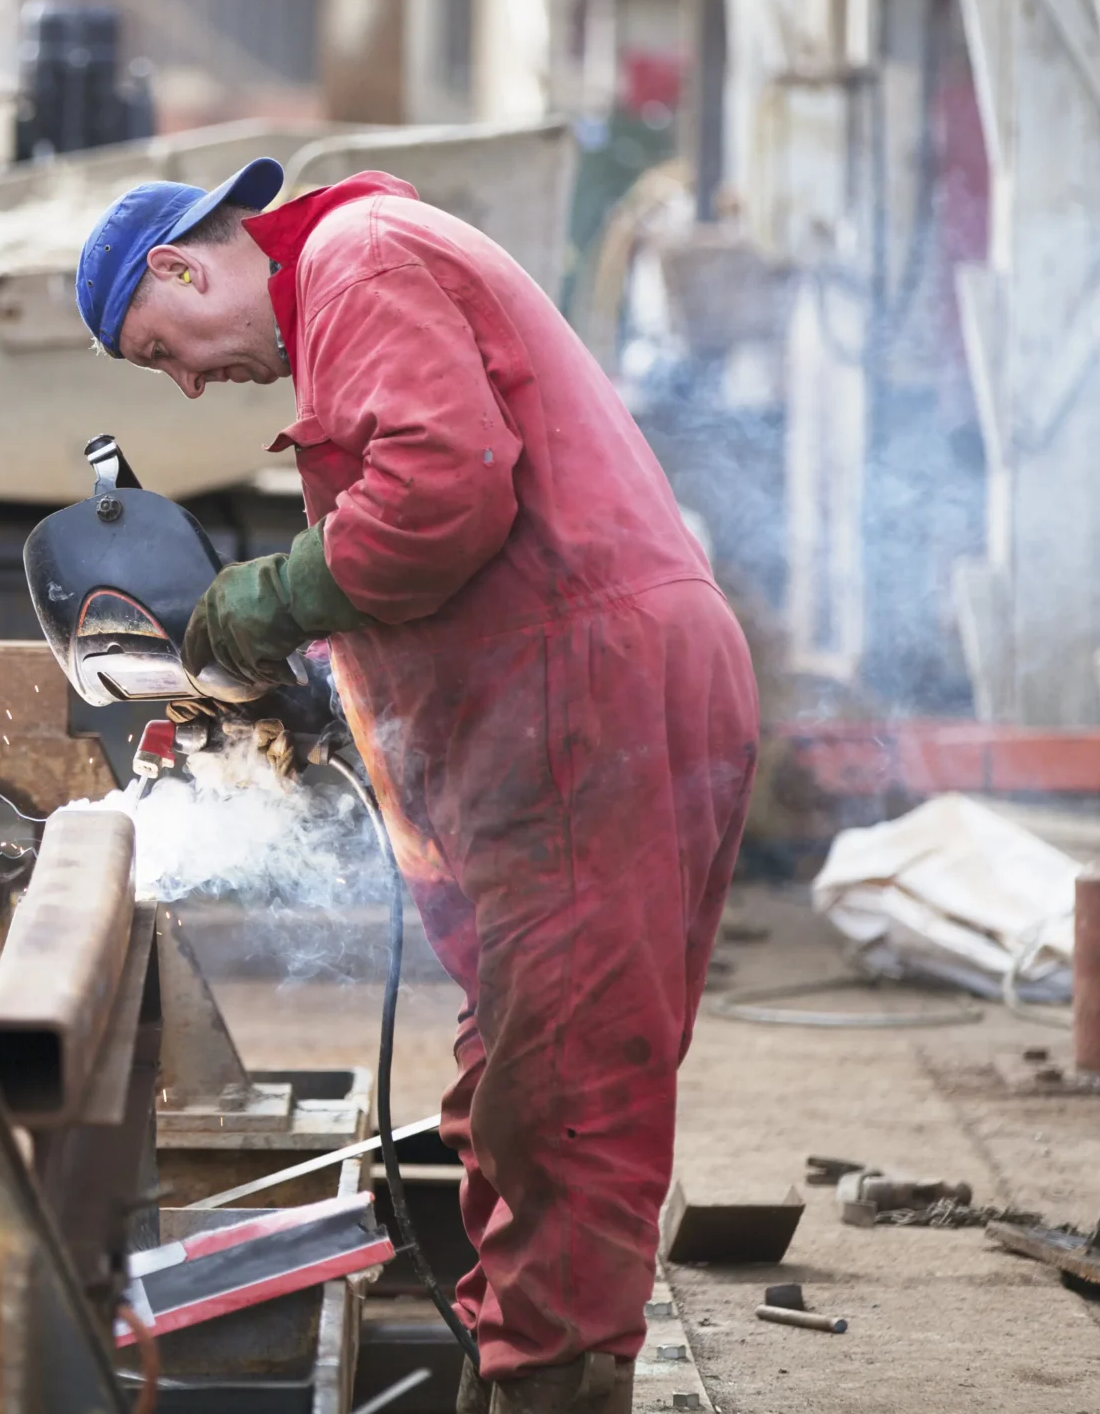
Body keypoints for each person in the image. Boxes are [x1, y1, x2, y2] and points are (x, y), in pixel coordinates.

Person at [74, 159, 759, 1414]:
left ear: (181, 263)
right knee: (520, 1070)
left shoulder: (358, 261)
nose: (185, 382)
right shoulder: (359, 276)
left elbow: (436, 497)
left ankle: (555, 1387)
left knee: (561, 1087)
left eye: (160, 348)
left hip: (579, 696)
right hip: (556, 699)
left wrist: (276, 599)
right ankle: (528, 1369)